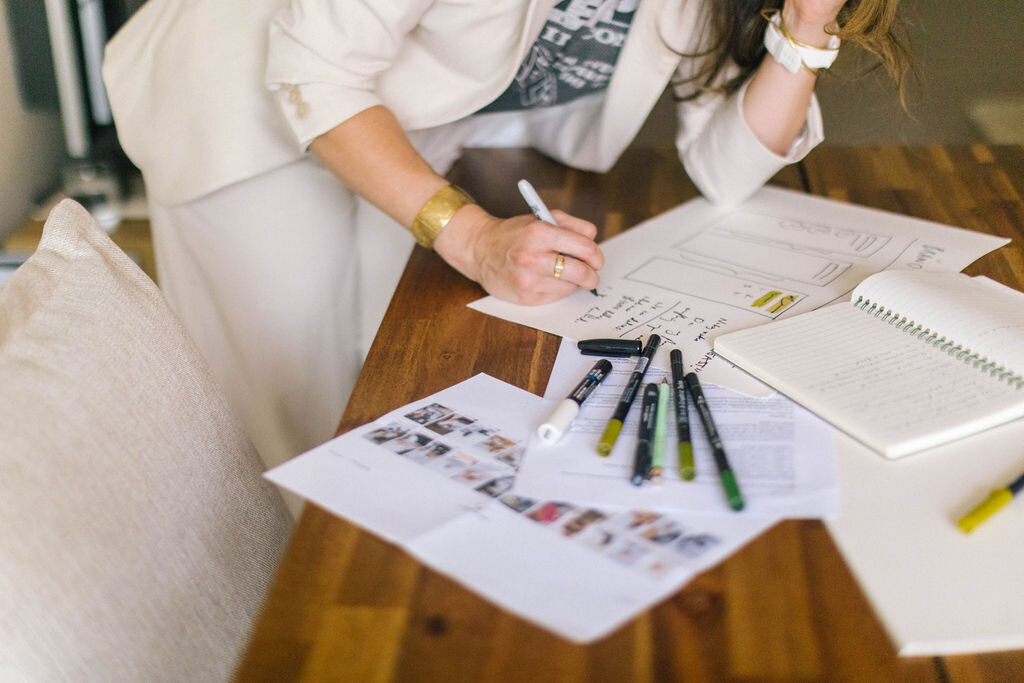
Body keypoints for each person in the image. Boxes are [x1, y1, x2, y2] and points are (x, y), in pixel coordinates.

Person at [102, 0, 910, 478]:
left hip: (409, 115)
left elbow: (725, 165)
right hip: (245, 96)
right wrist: (478, 239)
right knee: (283, 416)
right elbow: (316, 72)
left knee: (379, 383)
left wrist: (807, 25)